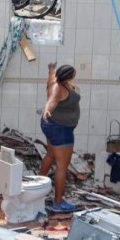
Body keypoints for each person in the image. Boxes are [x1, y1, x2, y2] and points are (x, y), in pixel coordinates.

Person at [38, 63, 80, 213]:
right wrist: (47, 110)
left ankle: (36, 188)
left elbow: (51, 78)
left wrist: (51, 69)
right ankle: (58, 202)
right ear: (69, 76)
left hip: (53, 126)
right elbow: (52, 100)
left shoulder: (56, 82)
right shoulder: (58, 88)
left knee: (50, 155)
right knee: (62, 166)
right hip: (60, 129)